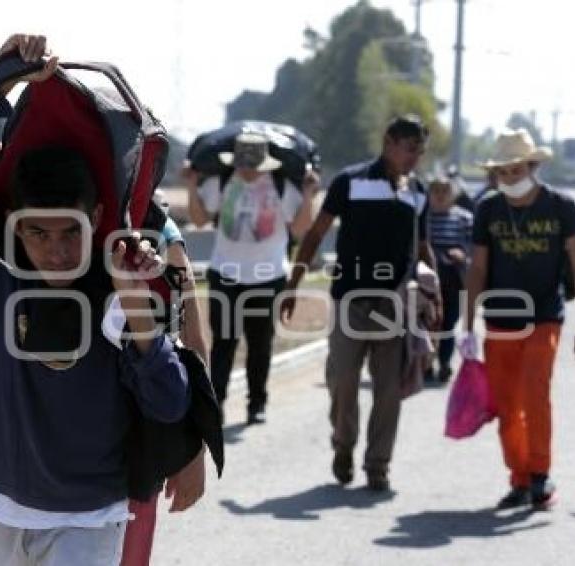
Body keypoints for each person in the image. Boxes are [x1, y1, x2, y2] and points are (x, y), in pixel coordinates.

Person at [0, 35, 190, 566]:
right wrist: (0, 82)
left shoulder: (119, 281)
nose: (54, 251)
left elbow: (167, 400)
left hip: (88, 513)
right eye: (38, 233)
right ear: (13, 226)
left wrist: (131, 299)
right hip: (2, 497)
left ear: (95, 218)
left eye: (69, 232)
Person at [281, 115, 439, 491]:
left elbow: (422, 247)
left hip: (395, 305)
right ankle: (343, 445)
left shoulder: (417, 191)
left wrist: (435, 296)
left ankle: (378, 464)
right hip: (350, 300)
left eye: (420, 151)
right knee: (343, 379)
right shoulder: (350, 182)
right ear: (388, 142)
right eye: (410, 149)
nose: (415, 158)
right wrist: (293, 284)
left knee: (388, 390)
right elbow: (317, 233)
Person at [460, 128, 575, 510]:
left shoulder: (561, 206)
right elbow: (477, 267)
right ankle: (518, 478)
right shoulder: (488, 209)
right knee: (507, 405)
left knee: (536, 394)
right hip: (500, 320)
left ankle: (540, 474)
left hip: (544, 317)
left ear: (533, 166)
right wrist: (466, 325)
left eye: (516, 170)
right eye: (502, 172)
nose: (509, 178)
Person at [184, 133, 319, 424]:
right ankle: (216, 404)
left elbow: (299, 228)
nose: (247, 170)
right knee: (224, 342)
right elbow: (198, 220)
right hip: (226, 274)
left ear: (265, 164)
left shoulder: (281, 187)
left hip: (268, 276)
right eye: (243, 163)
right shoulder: (220, 183)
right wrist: (192, 186)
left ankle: (257, 403)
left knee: (260, 343)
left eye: (253, 164)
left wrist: (308, 194)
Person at [121, 191, 208, 566]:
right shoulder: (66, 225)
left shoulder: (163, 235)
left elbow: (192, 342)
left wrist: (196, 447)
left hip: (143, 426)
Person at [425, 171, 473, 383]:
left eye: (445, 191)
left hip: (454, 278)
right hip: (427, 279)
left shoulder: (464, 218)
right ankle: (425, 364)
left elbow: (475, 247)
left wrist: (463, 255)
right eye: (435, 191)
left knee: (448, 324)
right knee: (426, 324)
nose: (440, 195)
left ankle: (444, 363)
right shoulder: (422, 217)